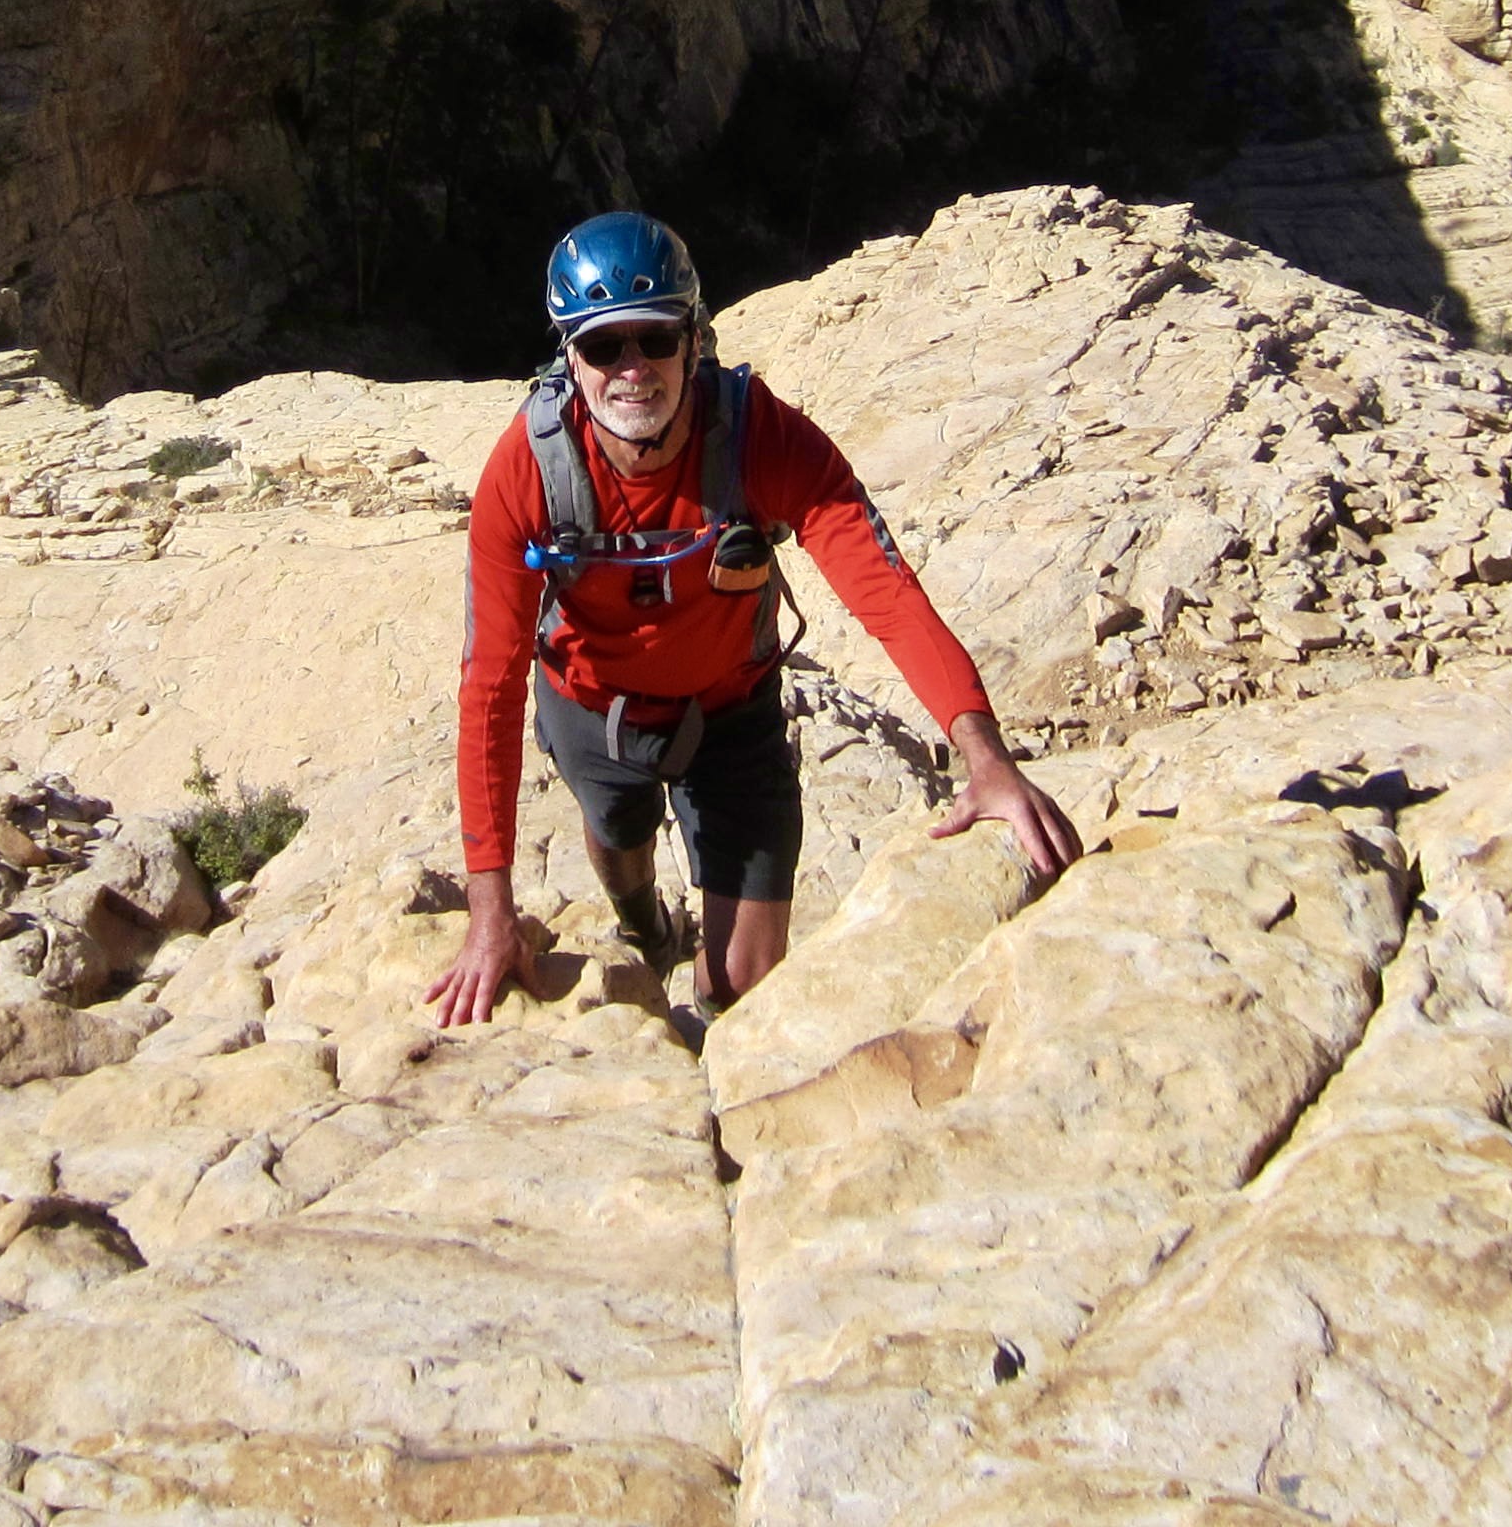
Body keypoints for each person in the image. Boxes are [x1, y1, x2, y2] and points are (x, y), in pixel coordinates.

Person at [428, 210, 1083, 1028]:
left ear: (693, 341)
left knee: (744, 980)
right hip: (593, 705)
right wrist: (490, 911)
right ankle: (645, 923)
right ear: (570, 358)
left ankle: (711, 1037)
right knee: (618, 834)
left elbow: (885, 591)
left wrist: (985, 756)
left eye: (654, 338)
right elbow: (490, 684)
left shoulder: (761, 438)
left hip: (731, 712)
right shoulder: (527, 470)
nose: (632, 369)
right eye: (602, 347)